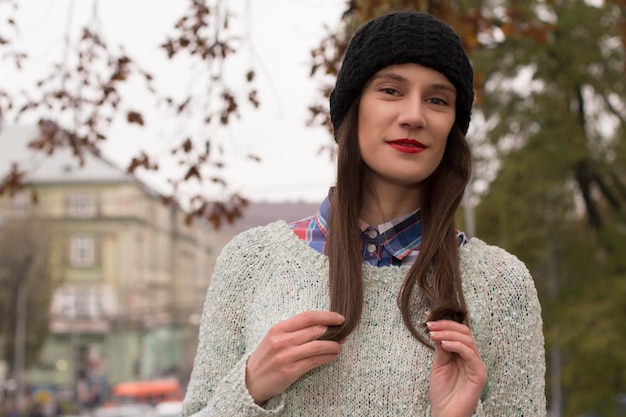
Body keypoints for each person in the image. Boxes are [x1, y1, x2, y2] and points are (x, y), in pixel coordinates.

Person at [182, 10, 546, 417]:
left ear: (452, 128)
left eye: (437, 99)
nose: (414, 115)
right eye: (391, 90)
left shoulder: (502, 284)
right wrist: (250, 385)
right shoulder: (250, 262)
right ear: (352, 109)